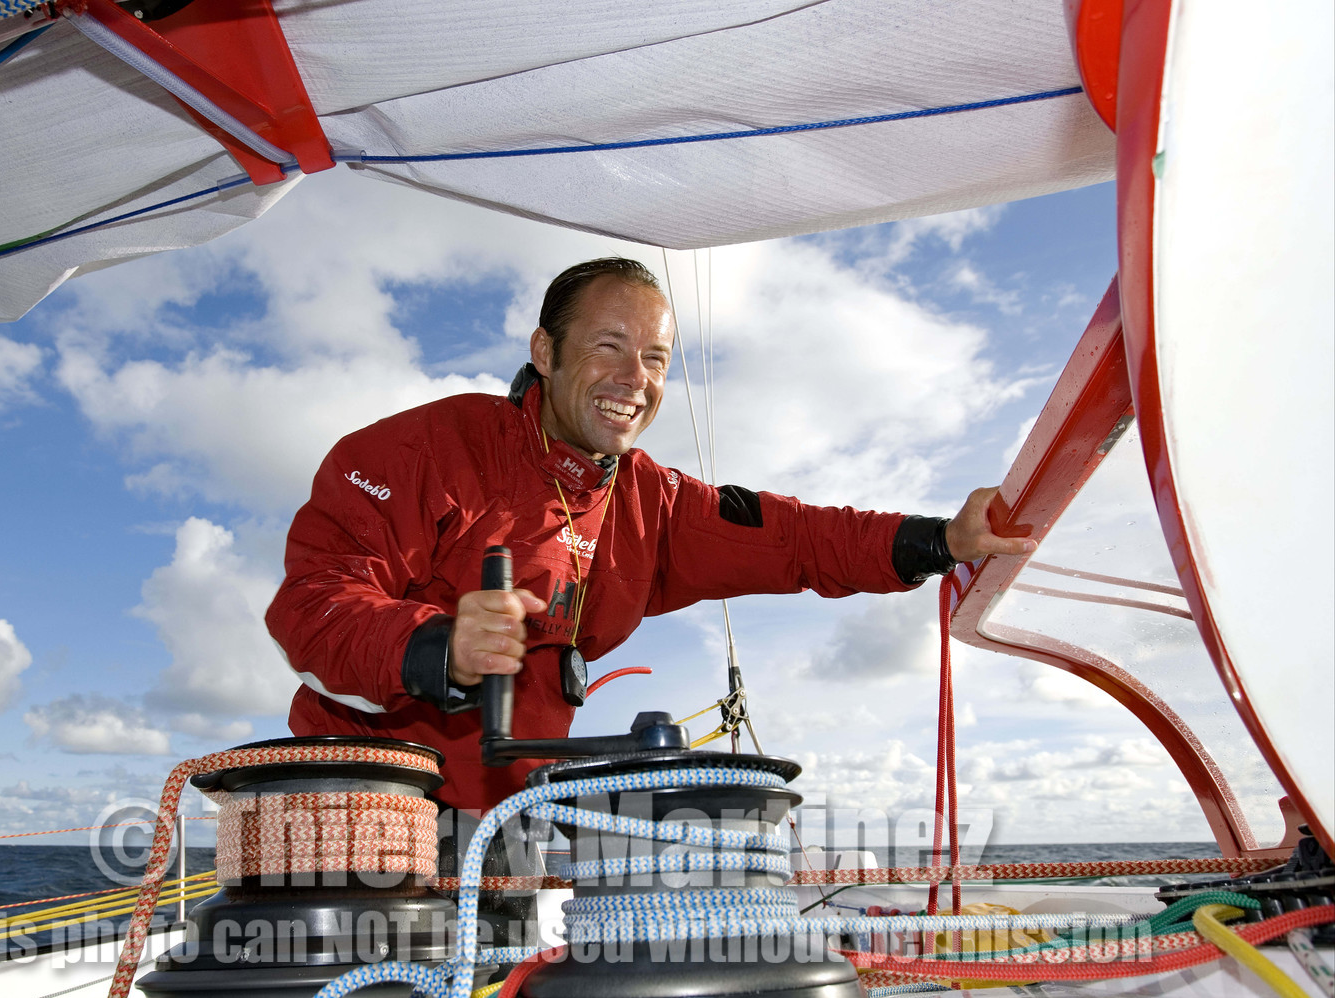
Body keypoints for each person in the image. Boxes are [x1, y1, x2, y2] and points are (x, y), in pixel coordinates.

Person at [264, 257, 1036, 817]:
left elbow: (795, 537)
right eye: (608, 345)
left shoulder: (647, 500)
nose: (635, 376)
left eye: (655, 356)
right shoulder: (428, 450)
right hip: (358, 815)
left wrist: (942, 539)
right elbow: (311, 605)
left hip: (506, 826)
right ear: (545, 352)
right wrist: (436, 645)